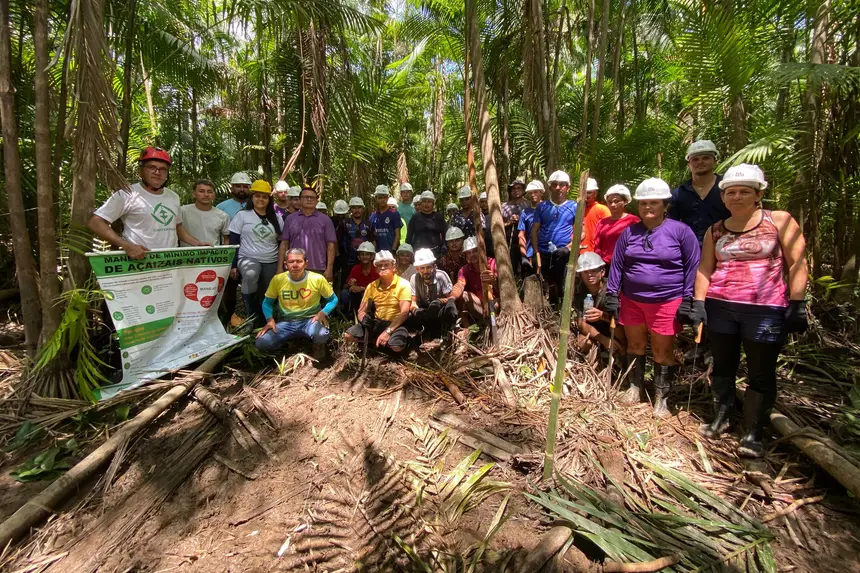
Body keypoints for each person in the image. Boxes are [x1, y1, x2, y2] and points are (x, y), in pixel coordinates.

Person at [694, 164, 808, 458]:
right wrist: (699, 303)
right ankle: (722, 418)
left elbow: (797, 262)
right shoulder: (715, 229)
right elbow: (705, 268)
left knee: (761, 372)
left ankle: (753, 432)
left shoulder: (778, 220)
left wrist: (798, 302)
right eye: (731, 192)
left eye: (744, 191)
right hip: (721, 306)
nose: (737, 197)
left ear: (758, 194)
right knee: (723, 366)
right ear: (723, 197)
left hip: (765, 309)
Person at [605, 178, 701, 418]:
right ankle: (635, 388)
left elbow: (693, 266)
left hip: (667, 301)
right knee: (635, 345)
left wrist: (688, 298)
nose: (648, 207)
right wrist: (612, 294)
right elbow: (617, 264)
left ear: (665, 205)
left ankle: (662, 398)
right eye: (643, 203)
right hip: (632, 300)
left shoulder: (680, 231)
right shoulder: (629, 232)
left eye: (654, 202)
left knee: (661, 350)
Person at [89, 147, 206, 258]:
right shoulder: (127, 194)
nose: (157, 172)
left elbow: (177, 226)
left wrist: (197, 243)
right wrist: (125, 245)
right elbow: (95, 222)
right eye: (151, 167)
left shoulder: (173, 196)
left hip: (170, 261)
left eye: (163, 169)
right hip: (140, 260)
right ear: (141, 171)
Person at [256, 248, 337, 360]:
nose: (295, 265)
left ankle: (317, 347)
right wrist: (270, 320)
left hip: (310, 321)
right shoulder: (278, 280)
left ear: (306, 263)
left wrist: (323, 313)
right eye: (291, 261)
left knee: (321, 335)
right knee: (262, 343)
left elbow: (333, 299)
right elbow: (267, 302)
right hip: (286, 322)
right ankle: (283, 350)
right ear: (285, 264)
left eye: (299, 261)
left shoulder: (317, 279)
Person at [228, 180, 284, 325]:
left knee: (268, 291)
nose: (261, 199)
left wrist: (281, 264)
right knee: (251, 274)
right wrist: (233, 265)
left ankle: (265, 319)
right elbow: (234, 241)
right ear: (251, 197)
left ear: (269, 199)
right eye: (257, 196)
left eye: (264, 197)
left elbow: (281, 243)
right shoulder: (242, 215)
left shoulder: (277, 218)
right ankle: (251, 314)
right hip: (247, 257)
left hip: (271, 259)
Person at [344, 250, 412, 354]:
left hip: (396, 324)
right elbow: (361, 310)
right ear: (376, 268)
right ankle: (376, 342)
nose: (383, 268)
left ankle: (398, 345)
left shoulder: (403, 284)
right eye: (380, 265)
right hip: (377, 322)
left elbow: (404, 313)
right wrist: (363, 318)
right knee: (348, 336)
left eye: (386, 265)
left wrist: (387, 332)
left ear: (394, 267)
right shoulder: (371, 286)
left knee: (396, 346)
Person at [670, 140, 730, 245]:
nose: (700, 162)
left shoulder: (727, 188)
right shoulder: (678, 193)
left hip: (726, 246)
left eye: (706, 158)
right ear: (689, 164)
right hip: (689, 249)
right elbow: (671, 225)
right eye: (695, 159)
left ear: (715, 161)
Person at [531, 170, 577, 297]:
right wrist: (536, 253)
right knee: (544, 286)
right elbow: (534, 231)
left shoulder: (574, 206)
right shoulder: (541, 206)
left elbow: (581, 232)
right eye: (555, 184)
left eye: (562, 184)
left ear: (567, 187)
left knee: (563, 287)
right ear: (550, 187)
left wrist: (568, 248)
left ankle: (562, 308)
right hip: (544, 253)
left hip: (563, 254)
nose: (558, 187)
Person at [279, 186, 337, 281]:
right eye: (306, 197)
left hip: (317, 268)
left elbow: (331, 246)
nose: (309, 199)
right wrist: (279, 268)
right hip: (294, 266)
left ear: (317, 201)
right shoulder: (290, 219)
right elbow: (284, 243)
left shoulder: (325, 220)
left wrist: (329, 269)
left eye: (312, 197)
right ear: (300, 200)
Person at [573, 252, 625, 355]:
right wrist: (603, 339)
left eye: (593, 271)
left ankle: (622, 358)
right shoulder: (579, 291)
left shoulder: (612, 289)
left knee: (617, 328)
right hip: (593, 332)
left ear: (602, 272)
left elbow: (622, 319)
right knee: (583, 343)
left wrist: (602, 316)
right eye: (585, 272)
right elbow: (581, 323)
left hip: (614, 328)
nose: (589, 275)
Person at [408, 248, 458, 340]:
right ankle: (422, 336)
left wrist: (439, 301)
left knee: (449, 310)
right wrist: (415, 310)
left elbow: (451, 298)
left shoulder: (441, 276)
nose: (425, 271)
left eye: (428, 267)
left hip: (439, 311)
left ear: (434, 266)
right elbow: (413, 301)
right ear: (417, 269)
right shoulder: (414, 278)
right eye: (422, 268)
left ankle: (446, 334)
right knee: (410, 316)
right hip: (424, 310)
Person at [451, 236, 499, 324]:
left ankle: (493, 322)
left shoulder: (493, 263)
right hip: (479, 305)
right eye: (469, 253)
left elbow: (505, 288)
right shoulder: (464, 270)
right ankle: (474, 325)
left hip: (495, 302)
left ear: (481, 251)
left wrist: (494, 279)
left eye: (475, 251)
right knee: (463, 295)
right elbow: (460, 284)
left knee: (493, 305)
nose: (472, 255)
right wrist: (451, 298)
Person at [593, 185, 640, 263]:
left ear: (625, 202)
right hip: (604, 264)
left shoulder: (633, 221)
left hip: (626, 264)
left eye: (616, 201)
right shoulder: (601, 222)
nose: (613, 205)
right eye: (610, 202)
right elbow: (597, 245)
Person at [180, 179, 230, 247]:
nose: (206, 195)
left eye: (209, 192)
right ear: (194, 194)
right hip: (188, 252)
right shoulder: (182, 211)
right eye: (201, 191)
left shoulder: (223, 215)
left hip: (213, 252)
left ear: (213, 195)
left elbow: (226, 238)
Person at [340, 241, 379, 316]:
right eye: (362, 254)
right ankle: (348, 314)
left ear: (372, 256)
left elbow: (380, 288)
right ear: (359, 257)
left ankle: (373, 315)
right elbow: (345, 286)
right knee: (344, 293)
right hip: (357, 297)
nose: (364, 257)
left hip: (372, 296)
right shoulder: (356, 268)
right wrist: (350, 284)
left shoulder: (376, 269)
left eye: (367, 254)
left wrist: (362, 288)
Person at [406, 191, 448, 258]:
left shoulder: (438, 217)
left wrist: (444, 248)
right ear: (421, 203)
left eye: (429, 202)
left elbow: (445, 235)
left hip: (436, 253)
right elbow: (409, 237)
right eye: (424, 201)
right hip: (418, 253)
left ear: (433, 204)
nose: (426, 204)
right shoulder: (415, 218)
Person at [341, 197, 374, 278]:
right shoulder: (344, 223)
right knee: (347, 283)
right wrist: (339, 257)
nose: (356, 210)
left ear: (363, 209)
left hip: (365, 261)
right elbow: (336, 241)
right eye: (354, 208)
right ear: (350, 209)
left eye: (359, 207)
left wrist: (372, 256)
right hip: (348, 261)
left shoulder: (368, 224)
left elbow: (373, 241)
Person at [518, 180, 544, 277]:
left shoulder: (549, 209)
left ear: (541, 193)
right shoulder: (525, 212)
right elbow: (521, 234)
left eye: (535, 192)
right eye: (530, 193)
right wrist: (524, 256)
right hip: (530, 253)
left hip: (546, 252)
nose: (533, 195)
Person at [503, 179, 527, 273]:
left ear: (523, 190)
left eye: (519, 188)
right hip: (509, 243)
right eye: (513, 188)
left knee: (526, 268)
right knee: (511, 269)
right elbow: (498, 225)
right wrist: (509, 222)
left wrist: (521, 220)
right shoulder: (504, 206)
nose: (516, 190)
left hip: (526, 242)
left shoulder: (528, 205)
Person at [369, 185, 403, 252]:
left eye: (384, 197)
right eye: (380, 197)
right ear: (376, 198)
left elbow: (397, 235)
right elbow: (372, 237)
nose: (382, 200)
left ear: (388, 198)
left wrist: (393, 249)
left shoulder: (394, 214)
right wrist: (374, 251)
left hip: (391, 251)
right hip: (378, 252)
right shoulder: (373, 216)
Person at [581, 178, 610, 252]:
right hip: (576, 252)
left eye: (589, 192)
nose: (586, 195)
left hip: (594, 253)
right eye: (584, 192)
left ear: (595, 193)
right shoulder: (577, 209)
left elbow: (608, 232)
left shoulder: (602, 210)